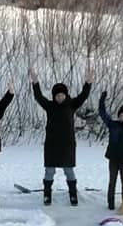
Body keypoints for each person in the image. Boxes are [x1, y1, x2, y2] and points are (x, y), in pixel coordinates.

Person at [30, 67, 92, 206]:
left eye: (62, 95)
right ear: (54, 96)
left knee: (69, 171)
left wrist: (88, 83)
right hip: (52, 145)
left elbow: (83, 95)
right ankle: (47, 195)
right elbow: (39, 97)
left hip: (67, 145)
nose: (60, 97)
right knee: (49, 171)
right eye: (57, 95)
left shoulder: (72, 105)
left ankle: (73, 195)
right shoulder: (49, 106)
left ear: (65, 95)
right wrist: (35, 82)